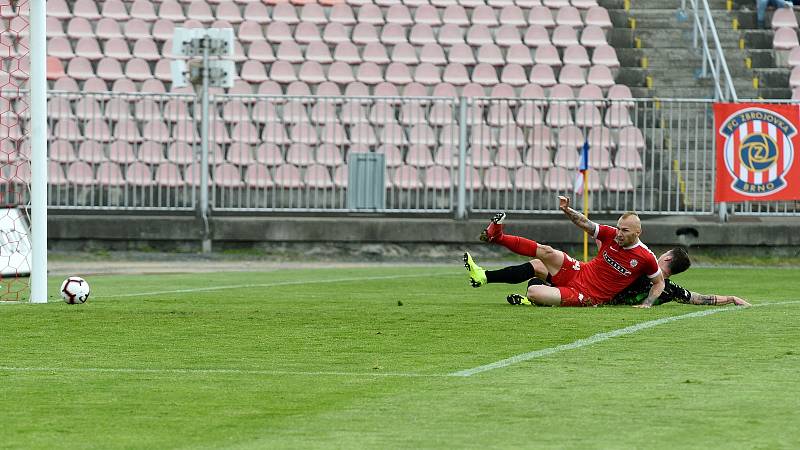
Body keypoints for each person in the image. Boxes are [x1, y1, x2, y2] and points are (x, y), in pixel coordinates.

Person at [465, 196, 665, 307]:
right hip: (580, 271)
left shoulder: (645, 256)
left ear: (638, 232)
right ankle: (491, 254)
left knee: (535, 291)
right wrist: (567, 210)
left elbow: (659, 282)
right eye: (618, 228)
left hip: (587, 295)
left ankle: (533, 300)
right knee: (545, 253)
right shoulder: (610, 234)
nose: (619, 234)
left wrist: (647, 303)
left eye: (625, 231)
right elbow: (585, 223)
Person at [497, 247, 751, 308]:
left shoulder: (642, 265)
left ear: (666, 259)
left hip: (589, 293)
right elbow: (697, 298)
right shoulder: (669, 289)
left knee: (538, 275)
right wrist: (729, 298)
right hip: (588, 288)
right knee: (540, 268)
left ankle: (532, 297)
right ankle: (530, 296)